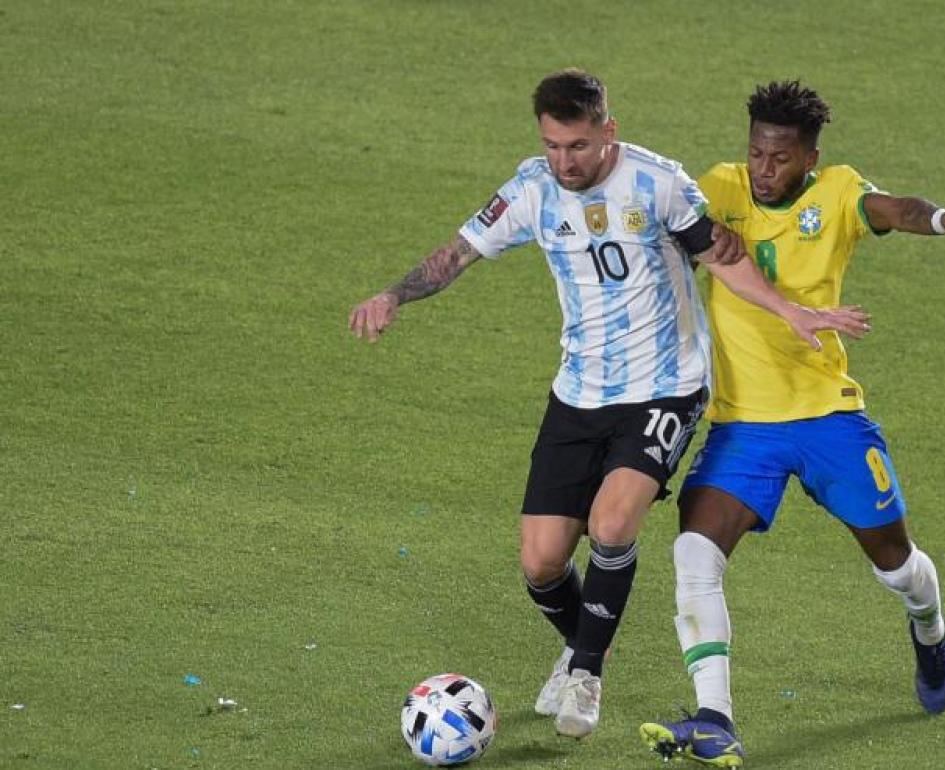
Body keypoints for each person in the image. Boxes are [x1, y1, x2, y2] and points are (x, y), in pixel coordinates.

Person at [348, 70, 870, 740]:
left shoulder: (658, 184)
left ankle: (586, 674)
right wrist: (393, 295)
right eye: (553, 145)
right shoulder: (531, 189)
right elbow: (456, 254)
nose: (564, 161)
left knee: (614, 519)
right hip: (579, 392)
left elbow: (721, 256)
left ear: (607, 132)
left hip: (666, 385)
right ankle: (583, 645)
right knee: (540, 563)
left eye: (577, 146)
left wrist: (788, 310)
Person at [640, 80, 945, 766]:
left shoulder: (836, 192)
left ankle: (928, 628)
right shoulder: (720, 188)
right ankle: (716, 716)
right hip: (743, 426)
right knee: (693, 553)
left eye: (780, 157)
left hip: (829, 419)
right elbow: (660, 213)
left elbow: (894, 207)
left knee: (897, 568)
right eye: (755, 152)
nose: (763, 169)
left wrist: (943, 218)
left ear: (810, 157)